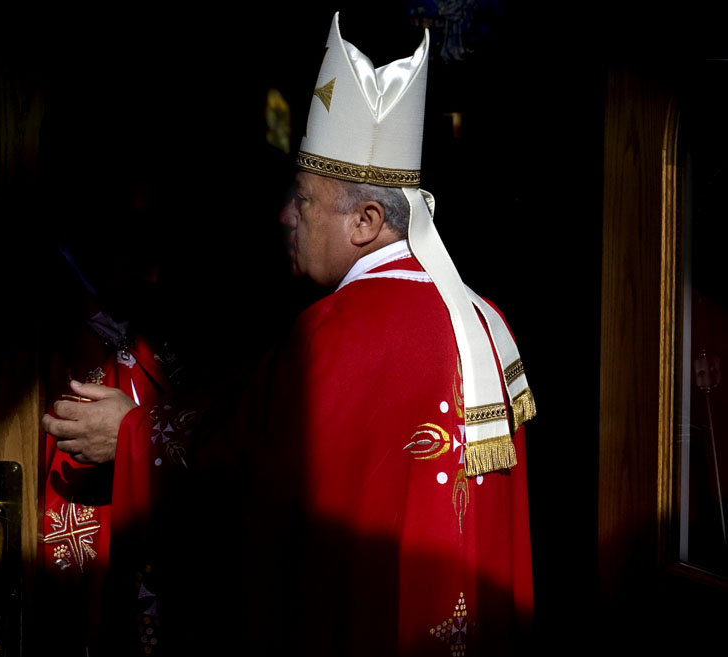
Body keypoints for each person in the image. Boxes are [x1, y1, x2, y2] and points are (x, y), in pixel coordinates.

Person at [44, 12, 535, 656]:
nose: (284, 216)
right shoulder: (486, 320)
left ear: (364, 220)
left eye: (302, 200)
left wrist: (132, 435)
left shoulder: (337, 331)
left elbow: (250, 460)